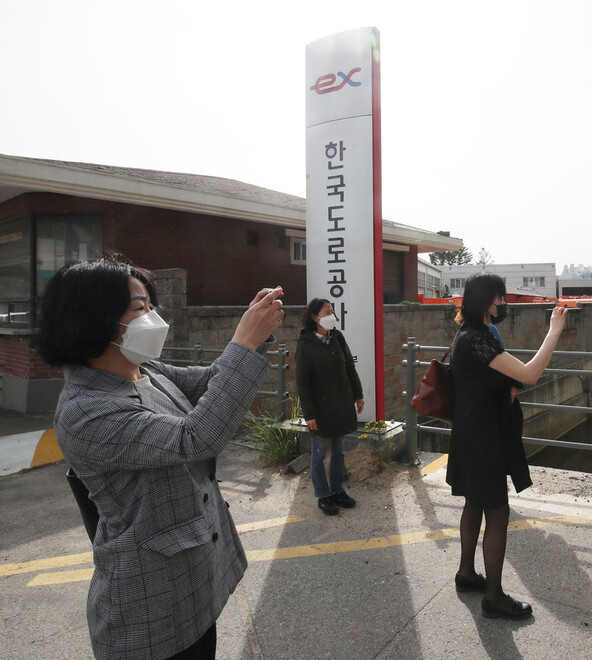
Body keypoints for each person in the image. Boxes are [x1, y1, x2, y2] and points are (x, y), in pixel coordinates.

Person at [36, 258, 284, 660]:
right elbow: (197, 436)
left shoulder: (141, 368)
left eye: (151, 305)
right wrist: (243, 343)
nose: (153, 317)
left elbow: (210, 382)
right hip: (150, 605)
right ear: (94, 318)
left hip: (194, 584)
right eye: (139, 308)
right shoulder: (86, 411)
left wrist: (253, 334)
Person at [447, 272, 567, 620]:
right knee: (497, 513)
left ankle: (467, 573)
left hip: (470, 434)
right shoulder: (479, 339)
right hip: (483, 438)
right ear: (485, 301)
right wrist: (553, 331)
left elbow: (501, 376)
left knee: (473, 503)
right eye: (500, 298)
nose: (504, 304)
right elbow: (529, 374)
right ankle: (494, 597)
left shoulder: (467, 335)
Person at [295, 298, 364, 516]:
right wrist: (309, 414)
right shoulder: (305, 345)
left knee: (338, 451)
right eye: (327, 311)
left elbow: (349, 368)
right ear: (315, 317)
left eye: (333, 311)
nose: (332, 315)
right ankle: (322, 495)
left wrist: (358, 394)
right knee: (317, 454)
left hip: (341, 404)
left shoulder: (337, 337)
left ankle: (337, 490)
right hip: (320, 409)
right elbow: (303, 382)